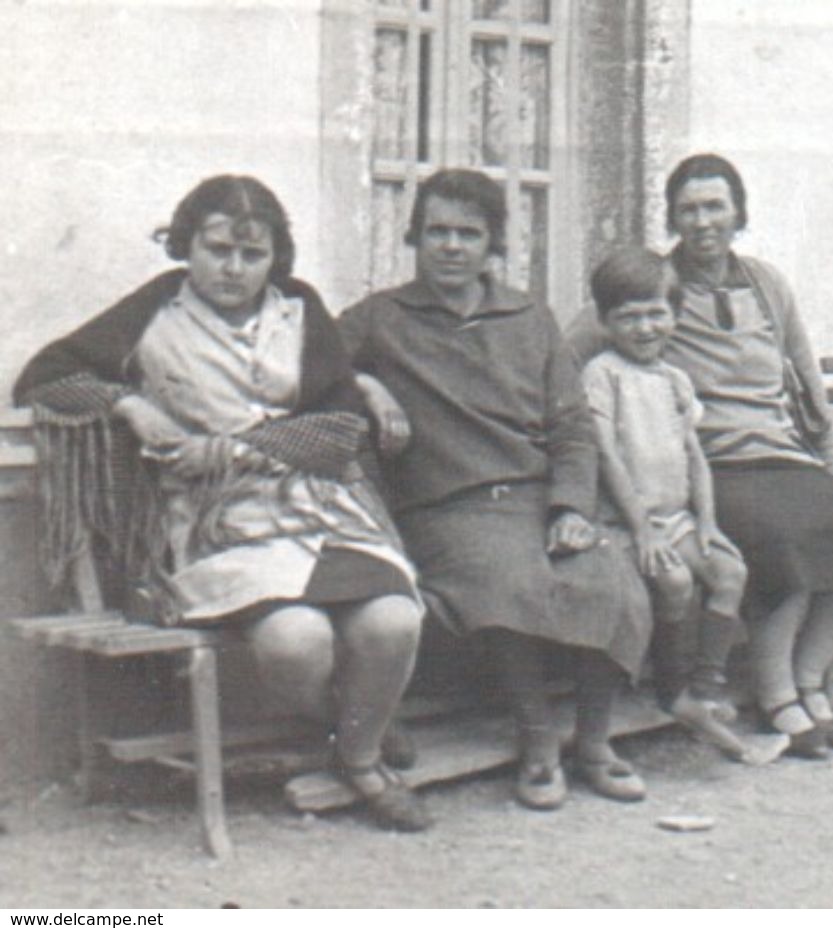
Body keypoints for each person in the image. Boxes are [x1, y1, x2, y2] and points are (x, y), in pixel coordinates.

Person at [14, 175, 429, 831]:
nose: (233, 268)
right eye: (216, 249)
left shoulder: (299, 308)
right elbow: (43, 378)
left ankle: (360, 754)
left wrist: (232, 449)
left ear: (274, 257)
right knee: (298, 642)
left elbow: (341, 427)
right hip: (216, 525)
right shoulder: (154, 312)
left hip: (319, 509)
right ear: (187, 245)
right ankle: (348, 728)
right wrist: (129, 402)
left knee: (393, 621)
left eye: (251, 253)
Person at [339, 169, 653, 810]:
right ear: (414, 238)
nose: (451, 247)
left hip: (537, 497)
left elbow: (572, 425)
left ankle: (595, 741)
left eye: (468, 234)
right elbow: (308, 361)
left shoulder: (529, 317)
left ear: (493, 246)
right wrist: (364, 385)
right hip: (448, 507)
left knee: (610, 580)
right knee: (506, 580)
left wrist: (570, 507)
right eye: (437, 233)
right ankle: (538, 740)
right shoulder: (381, 319)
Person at [571, 154, 833, 760]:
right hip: (713, 467)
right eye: (689, 209)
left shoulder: (766, 285)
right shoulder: (653, 289)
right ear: (672, 218)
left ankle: (810, 674)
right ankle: (777, 697)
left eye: (715, 206)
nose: (703, 221)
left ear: (737, 212)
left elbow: (806, 374)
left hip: (782, 454)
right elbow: (578, 348)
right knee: (782, 544)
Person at [580, 246, 767, 761]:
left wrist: (706, 522)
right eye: (629, 316)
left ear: (676, 316)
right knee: (676, 580)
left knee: (730, 572)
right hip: (623, 520)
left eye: (657, 313)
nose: (645, 328)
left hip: (679, 517)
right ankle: (672, 688)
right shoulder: (604, 373)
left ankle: (706, 688)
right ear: (605, 321)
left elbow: (694, 455)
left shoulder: (675, 379)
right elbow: (607, 454)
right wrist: (641, 530)